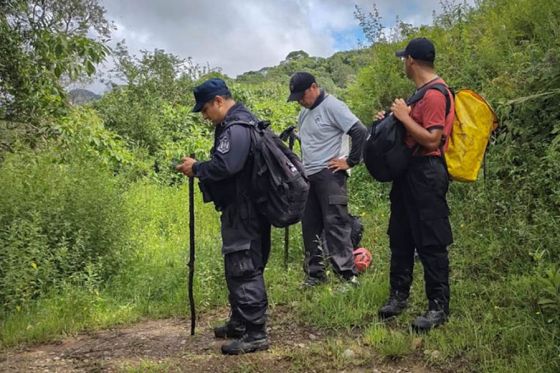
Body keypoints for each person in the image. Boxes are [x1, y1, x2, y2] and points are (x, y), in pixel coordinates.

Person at [176, 78, 271, 354]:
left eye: (205, 110)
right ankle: (240, 323)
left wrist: (197, 168)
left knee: (244, 268)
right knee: (237, 267)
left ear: (219, 101)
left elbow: (227, 165)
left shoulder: (237, 127)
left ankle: (255, 333)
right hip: (243, 208)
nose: (205, 116)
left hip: (245, 211)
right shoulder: (238, 124)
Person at [375, 38, 454, 332]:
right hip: (408, 174)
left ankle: (438, 307)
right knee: (401, 236)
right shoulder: (419, 93)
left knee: (431, 241)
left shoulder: (434, 94)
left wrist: (404, 117)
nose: (403, 64)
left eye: (403, 59)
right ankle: (398, 297)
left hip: (427, 172)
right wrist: (393, 120)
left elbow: (432, 138)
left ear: (410, 60)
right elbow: (410, 130)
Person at [287, 72, 368, 287]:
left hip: (330, 174)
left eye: (302, 96)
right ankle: (315, 274)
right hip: (309, 175)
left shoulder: (333, 106)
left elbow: (359, 131)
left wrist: (350, 161)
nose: (301, 102)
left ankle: (347, 276)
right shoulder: (304, 113)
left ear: (314, 87)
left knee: (336, 223)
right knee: (310, 225)